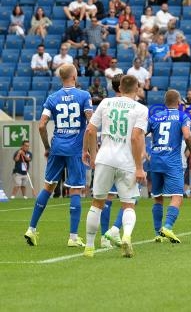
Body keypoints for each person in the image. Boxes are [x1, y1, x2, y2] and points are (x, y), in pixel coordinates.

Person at [24, 64, 93, 247]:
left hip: (57, 147)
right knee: (76, 189)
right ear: (74, 75)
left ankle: (31, 229)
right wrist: (89, 149)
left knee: (48, 187)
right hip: (75, 149)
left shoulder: (52, 98)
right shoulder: (84, 96)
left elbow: (41, 125)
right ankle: (73, 237)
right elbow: (91, 124)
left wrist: (47, 146)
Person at [82, 74, 148, 258]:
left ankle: (89, 247)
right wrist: (139, 167)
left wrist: (94, 156)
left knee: (97, 204)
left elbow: (90, 130)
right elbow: (136, 138)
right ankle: (126, 236)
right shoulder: (141, 109)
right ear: (136, 89)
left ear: (120, 88)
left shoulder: (105, 103)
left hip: (105, 159)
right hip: (126, 162)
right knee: (128, 204)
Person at [148, 90, 191, 243]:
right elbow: (188, 136)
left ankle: (158, 233)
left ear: (165, 102)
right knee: (178, 196)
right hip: (172, 162)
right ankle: (168, 226)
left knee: (157, 198)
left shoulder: (155, 117)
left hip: (155, 161)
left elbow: (140, 134)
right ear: (179, 102)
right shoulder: (182, 116)